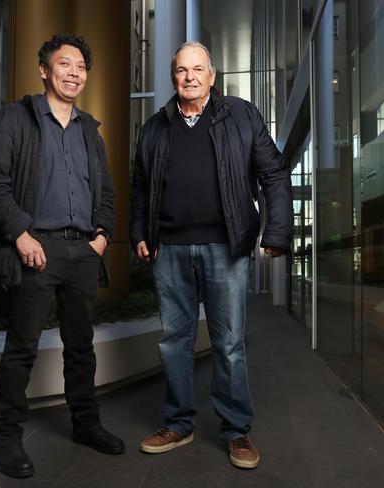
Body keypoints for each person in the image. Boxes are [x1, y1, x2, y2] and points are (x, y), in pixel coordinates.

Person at [130, 41, 293, 469]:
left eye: (198, 69)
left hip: (226, 247)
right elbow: (140, 189)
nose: (190, 77)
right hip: (169, 250)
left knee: (229, 344)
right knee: (174, 343)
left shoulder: (240, 115)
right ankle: (179, 423)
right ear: (173, 76)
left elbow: (273, 174)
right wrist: (138, 233)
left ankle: (236, 431)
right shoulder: (154, 128)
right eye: (182, 70)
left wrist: (276, 230)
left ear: (212, 75)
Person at [0, 34, 124, 479]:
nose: (75, 72)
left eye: (81, 66)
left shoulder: (90, 132)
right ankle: (8, 438)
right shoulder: (16, 119)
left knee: (81, 348)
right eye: (65, 64)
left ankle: (86, 424)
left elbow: (109, 196)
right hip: (35, 247)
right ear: (45, 71)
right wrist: (20, 232)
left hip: (83, 250)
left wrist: (101, 237)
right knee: (22, 348)